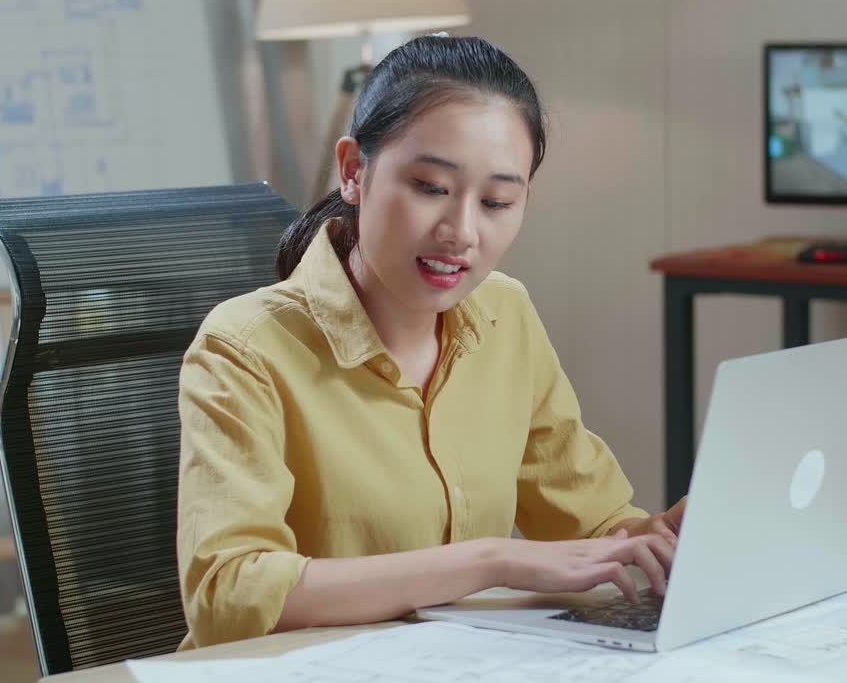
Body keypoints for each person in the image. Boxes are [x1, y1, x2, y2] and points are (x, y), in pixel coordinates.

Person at [176, 35, 687, 650]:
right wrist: (492, 560)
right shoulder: (245, 349)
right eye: (430, 187)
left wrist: (657, 538)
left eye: (498, 201)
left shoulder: (505, 314)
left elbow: (594, 521)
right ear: (353, 172)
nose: (461, 232)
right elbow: (228, 595)